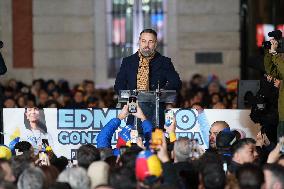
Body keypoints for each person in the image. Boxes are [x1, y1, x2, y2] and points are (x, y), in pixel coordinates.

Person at [114, 29, 181, 128]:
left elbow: (176, 83)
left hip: (157, 113)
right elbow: (119, 85)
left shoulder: (164, 62)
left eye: (150, 41)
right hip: (134, 111)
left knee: (155, 142)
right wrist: (129, 98)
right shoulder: (128, 61)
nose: (146, 45)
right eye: (144, 41)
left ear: (155, 44)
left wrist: (162, 93)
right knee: (133, 142)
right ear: (139, 42)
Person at [263, 30, 284, 139]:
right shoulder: (279, 64)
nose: (280, 57)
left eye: (281, 54)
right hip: (282, 116)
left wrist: (275, 54)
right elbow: (270, 70)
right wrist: (269, 52)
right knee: (281, 151)